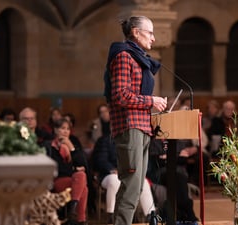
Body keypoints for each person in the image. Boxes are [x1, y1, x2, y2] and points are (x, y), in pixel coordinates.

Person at [103, 15, 167, 225]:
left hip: (142, 127)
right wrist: (151, 101)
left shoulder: (138, 58)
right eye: (149, 32)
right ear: (136, 33)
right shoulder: (123, 56)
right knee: (132, 186)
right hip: (130, 127)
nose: (154, 38)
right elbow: (120, 95)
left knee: (136, 186)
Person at [92, 134, 156, 224]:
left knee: (143, 182)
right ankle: (112, 215)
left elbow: (147, 164)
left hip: (129, 173)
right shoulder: (105, 140)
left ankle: (151, 215)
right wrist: (112, 169)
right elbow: (100, 160)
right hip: (109, 174)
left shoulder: (135, 141)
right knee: (115, 180)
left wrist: (136, 171)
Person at [44, 118, 89, 225]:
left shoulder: (73, 145)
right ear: (55, 130)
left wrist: (72, 148)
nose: (65, 131)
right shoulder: (49, 146)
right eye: (62, 128)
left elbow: (84, 165)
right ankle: (80, 219)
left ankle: (73, 213)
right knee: (83, 186)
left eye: (68, 129)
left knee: (82, 177)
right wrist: (73, 169)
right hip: (58, 180)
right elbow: (55, 167)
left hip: (75, 180)